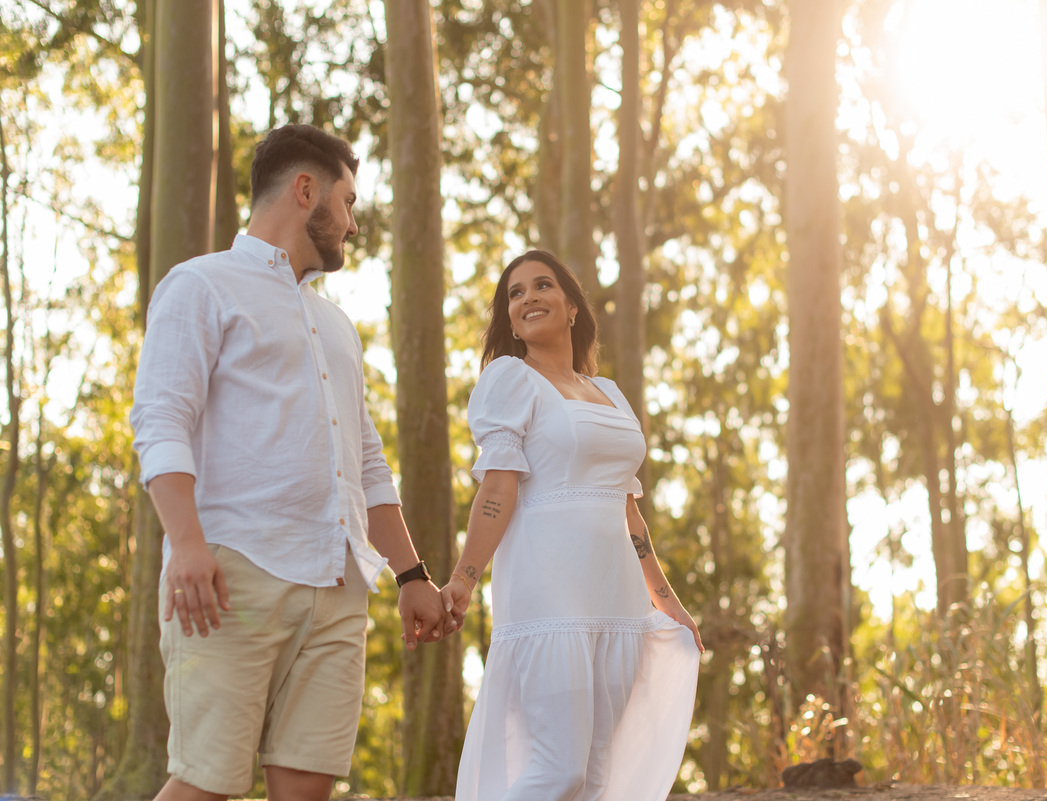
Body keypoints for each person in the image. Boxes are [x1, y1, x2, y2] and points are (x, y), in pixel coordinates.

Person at [130, 124, 452, 801]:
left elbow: (365, 462)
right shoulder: (200, 286)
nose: (354, 224)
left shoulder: (336, 326)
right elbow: (162, 420)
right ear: (307, 191)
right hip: (230, 576)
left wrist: (411, 574)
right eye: (348, 201)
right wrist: (186, 544)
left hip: (338, 583)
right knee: (205, 784)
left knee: (307, 788)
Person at [443, 250, 703, 801]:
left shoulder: (610, 393)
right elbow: (497, 488)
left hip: (616, 596)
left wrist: (666, 601)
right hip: (547, 592)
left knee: (596, 774)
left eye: (542, 285)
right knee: (560, 768)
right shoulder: (510, 378)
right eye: (515, 293)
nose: (528, 298)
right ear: (510, 319)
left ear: (572, 308)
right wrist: (464, 579)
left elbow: (628, 510)